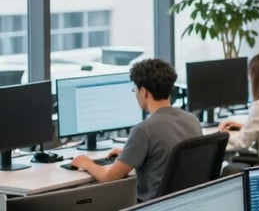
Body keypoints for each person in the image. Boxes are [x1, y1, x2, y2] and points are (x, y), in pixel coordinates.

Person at [70, 58, 202, 202]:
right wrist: (130, 154)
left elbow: (109, 177)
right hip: (186, 204)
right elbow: (165, 154)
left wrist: (86, 163)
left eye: (135, 89)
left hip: (151, 209)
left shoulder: (144, 130)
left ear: (144, 91)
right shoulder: (192, 120)